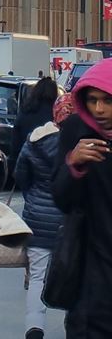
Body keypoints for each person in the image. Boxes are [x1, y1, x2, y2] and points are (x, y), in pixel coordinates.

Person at [52, 59, 112, 339]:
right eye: (92, 100)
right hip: (93, 273)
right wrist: (73, 165)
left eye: (108, 101)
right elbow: (62, 200)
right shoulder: (78, 131)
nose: (99, 110)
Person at [14, 93, 75, 339]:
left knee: (37, 276)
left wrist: (33, 198)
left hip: (37, 220)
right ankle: (73, 323)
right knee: (74, 274)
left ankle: (34, 327)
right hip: (69, 222)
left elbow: (20, 174)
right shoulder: (81, 144)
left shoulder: (35, 139)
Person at [9, 77, 58, 169]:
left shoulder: (25, 111)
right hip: (48, 164)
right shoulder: (56, 114)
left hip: (25, 161)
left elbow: (15, 142)